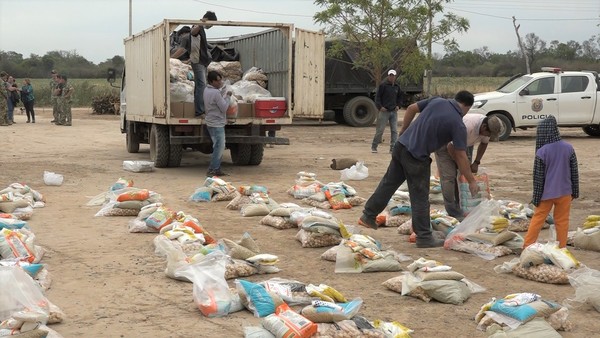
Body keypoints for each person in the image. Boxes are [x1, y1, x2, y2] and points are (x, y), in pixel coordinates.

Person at [358, 90, 480, 248]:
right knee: (420, 196)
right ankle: (424, 237)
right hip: (416, 156)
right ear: (466, 107)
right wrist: (471, 180)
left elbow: (410, 109)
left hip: (401, 146)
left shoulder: (437, 101)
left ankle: (368, 215)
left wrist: (403, 132)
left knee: (389, 183)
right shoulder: (458, 124)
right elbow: (461, 156)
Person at [523, 116, 579, 249]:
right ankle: (562, 249)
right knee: (562, 221)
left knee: (538, 220)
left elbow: (538, 178)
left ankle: (527, 246)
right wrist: (575, 192)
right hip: (565, 192)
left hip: (546, 194)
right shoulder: (569, 148)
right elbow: (574, 173)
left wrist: (536, 198)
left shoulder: (542, 152)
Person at [434, 114, 502, 219]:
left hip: (464, 144)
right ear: (484, 127)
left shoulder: (487, 127)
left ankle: (464, 207)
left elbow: (483, 144)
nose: (488, 137)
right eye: (488, 134)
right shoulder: (467, 126)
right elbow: (450, 147)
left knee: (463, 177)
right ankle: (453, 211)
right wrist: (461, 164)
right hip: (445, 143)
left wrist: (476, 162)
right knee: (449, 177)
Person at [203, 70, 232, 176]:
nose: (220, 82)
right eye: (217, 81)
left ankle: (216, 168)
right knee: (219, 147)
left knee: (218, 146)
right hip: (217, 124)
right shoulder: (215, 93)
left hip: (211, 122)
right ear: (211, 81)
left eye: (220, 80)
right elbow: (224, 108)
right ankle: (213, 169)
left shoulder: (206, 90)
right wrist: (228, 97)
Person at [189, 11, 218, 117]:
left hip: (202, 61)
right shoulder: (197, 26)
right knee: (202, 85)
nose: (211, 26)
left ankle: (200, 110)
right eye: (212, 23)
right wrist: (201, 23)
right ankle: (200, 111)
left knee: (200, 86)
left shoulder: (202, 29)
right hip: (198, 61)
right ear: (207, 19)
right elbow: (192, 32)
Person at [371, 69, 403, 153]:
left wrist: (398, 106)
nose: (392, 77)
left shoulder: (397, 87)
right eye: (390, 75)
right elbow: (377, 97)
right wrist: (380, 107)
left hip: (393, 112)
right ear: (388, 76)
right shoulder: (383, 85)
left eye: (393, 76)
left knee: (394, 130)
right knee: (380, 130)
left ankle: (393, 148)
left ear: (395, 77)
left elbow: (400, 98)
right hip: (384, 111)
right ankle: (374, 146)